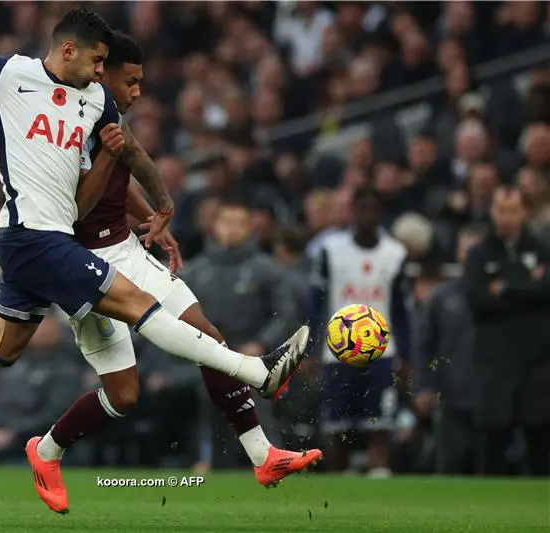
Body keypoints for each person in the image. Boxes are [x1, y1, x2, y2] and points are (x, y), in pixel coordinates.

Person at [0, 8, 309, 508]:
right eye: (98, 61)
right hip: (33, 237)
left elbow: (129, 154)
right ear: (68, 50)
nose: (103, 72)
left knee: (3, 351)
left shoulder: (97, 100)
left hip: (52, 243)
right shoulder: (8, 73)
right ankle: (259, 373)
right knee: (136, 303)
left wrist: (159, 209)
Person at [25, 31, 321, 513]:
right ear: (103, 71)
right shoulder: (68, 122)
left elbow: (127, 169)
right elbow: (73, 213)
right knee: (124, 396)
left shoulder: (108, 113)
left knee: (208, 337)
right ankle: (47, 451)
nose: (138, 91)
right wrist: (108, 156)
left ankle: (264, 456)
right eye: (132, 81)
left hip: (127, 250)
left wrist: (153, 215)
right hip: (82, 265)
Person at [308, 186, 411, 478]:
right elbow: (315, 305)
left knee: (380, 425)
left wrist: (406, 354)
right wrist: (310, 350)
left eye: (372, 208)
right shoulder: (330, 251)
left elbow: (402, 310)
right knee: (338, 428)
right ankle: (340, 482)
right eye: (361, 208)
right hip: (338, 352)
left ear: (380, 213)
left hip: (381, 352)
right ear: (352, 212)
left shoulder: (395, 253)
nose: (367, 215)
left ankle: (379, 475)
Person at [463, 186, 550, 476]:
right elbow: (477, 300)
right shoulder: (478, 254)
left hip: (537, 363)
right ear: (492, 213)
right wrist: (528, 289)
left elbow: (546, 292)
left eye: (512, 211)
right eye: (501, 211)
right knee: (492, 444)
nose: (506, 218)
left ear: (524, 213)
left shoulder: (541, 250)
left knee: (539, 443)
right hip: (494, 364)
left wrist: (504, 288)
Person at [413, 224, 485, 474]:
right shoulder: (442, 297)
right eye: (467, 249)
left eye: (477, 249)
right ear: (458, 253)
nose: (471, 255)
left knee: (489, 469)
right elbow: (425, 345)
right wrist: (424, 386)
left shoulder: (499, 296)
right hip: (450, 395)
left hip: (491, 397)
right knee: (450, 465)